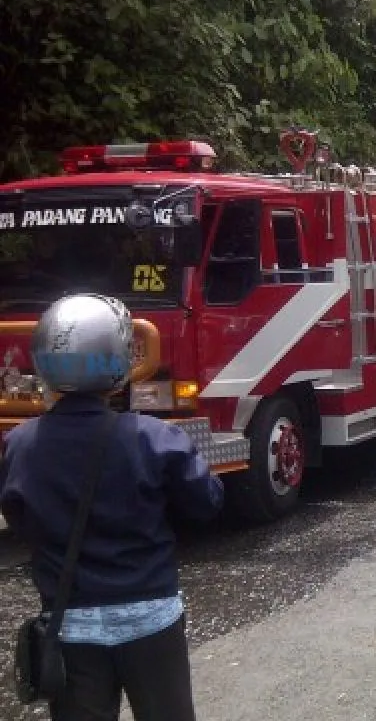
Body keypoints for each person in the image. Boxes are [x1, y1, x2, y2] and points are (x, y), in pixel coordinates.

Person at [0, 294, 224, 720]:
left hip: (71, 622)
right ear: (120, 362)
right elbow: (206, 503)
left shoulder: (21, 444)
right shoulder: (154, 437)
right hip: (151, 616)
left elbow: (20, 518)